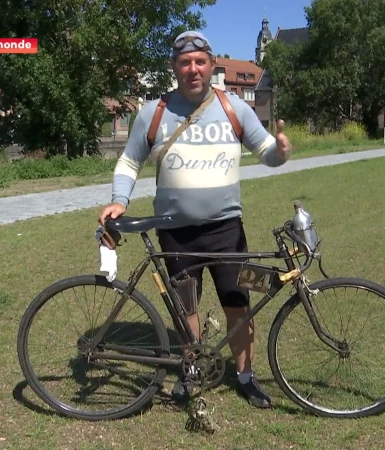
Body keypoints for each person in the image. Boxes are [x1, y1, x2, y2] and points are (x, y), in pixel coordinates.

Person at [98, 30, 293, 408]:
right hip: (175, 231)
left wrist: (281, 152)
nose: (193, 69)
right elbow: (129, 161)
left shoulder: (235, 108)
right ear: (174, 67)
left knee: (237, 305)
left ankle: (246, 377)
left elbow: (266, 150)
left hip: (225, 230)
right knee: (185, 307)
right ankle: (192, 372)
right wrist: (119, 200)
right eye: (185, 62)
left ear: (211, 66)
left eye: (200, 62)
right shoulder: (153, 113)